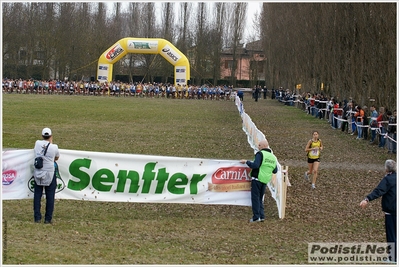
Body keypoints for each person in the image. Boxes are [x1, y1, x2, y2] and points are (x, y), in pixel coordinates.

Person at [359, 159, 396, 262]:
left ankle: (393, 257)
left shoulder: (388, 180)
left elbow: (379, 191)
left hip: (391, 210)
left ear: (386, 169)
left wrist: (367, 199)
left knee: (392, 234)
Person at [240, 139, 278, 223]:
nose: (258, 146)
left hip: (257, 179)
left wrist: (247, 162)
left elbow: (255, 165)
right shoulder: (273, 157)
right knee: (260, 199)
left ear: (264, 146)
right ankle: (262, 216)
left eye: (259, 145)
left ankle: (256, 217)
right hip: (265, 180)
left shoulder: (260, 154)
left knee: (255, 198)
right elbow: (275, 170)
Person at [33, 127, 60, 224]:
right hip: (49, 173)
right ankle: (48, 218)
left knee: (37, 195)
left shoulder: (37, 143)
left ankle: (37, 217)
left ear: (42, 136)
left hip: (38, 172)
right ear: (51, 136)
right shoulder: (54, 147)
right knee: (50, 196)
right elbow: (56, 157)